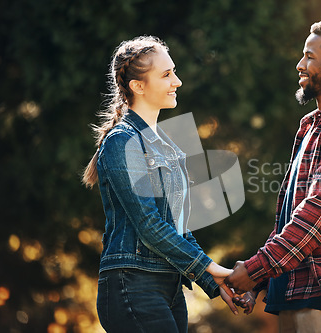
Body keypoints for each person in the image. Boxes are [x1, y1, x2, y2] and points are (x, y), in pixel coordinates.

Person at [226, 20, 321, 332]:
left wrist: (254, 269)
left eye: (309, 56)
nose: (300, 65)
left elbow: (317, 216)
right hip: (296, 295)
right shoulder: (313, 127)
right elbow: (290, 221)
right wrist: (259, 281)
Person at [82, 36, 238, 333]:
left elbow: (176, 226)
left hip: (169, 286)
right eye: (166, 74)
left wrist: (212, 281)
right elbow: (150, 225)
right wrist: (212, 267)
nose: (177, 81)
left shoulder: (168, 148)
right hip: (133, 284)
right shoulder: (121, 142)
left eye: (174, 72)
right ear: (137, 86)